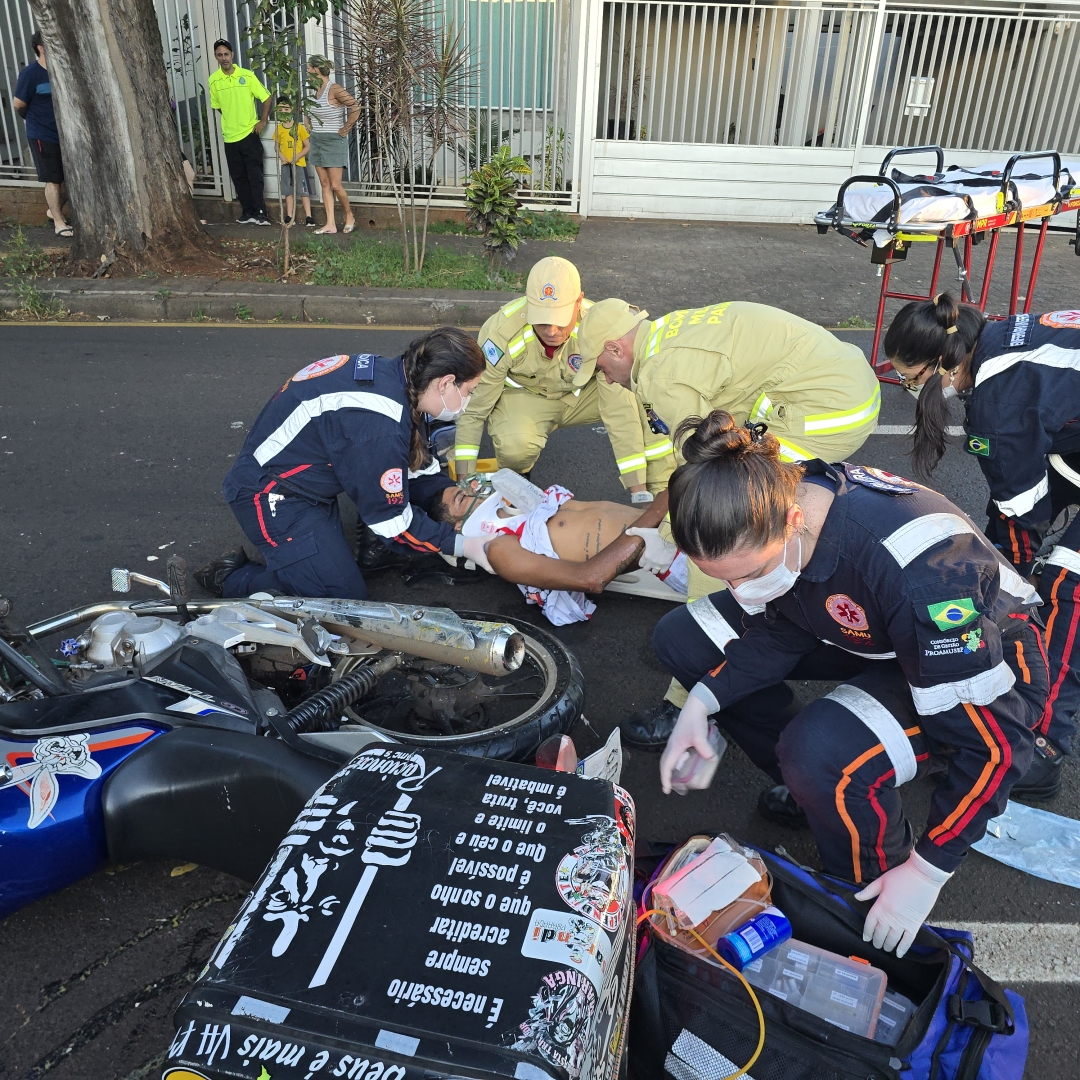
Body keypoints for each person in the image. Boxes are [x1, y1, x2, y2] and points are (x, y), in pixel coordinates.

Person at [651, 410, 1047, 957]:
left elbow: (997, 747)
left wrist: (927, 872)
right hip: (871, 623)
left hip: (982, 653)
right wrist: (703, 699)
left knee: (821, 750)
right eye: (725, 579)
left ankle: (866, 883)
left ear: (792, 520)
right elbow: (783, 620)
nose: (741, 594)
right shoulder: (774, 499)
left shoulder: (924, 576)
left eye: (747, 574)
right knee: (683, 637)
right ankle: (820, 793)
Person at [576, 299, 883, 747]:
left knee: (721, 535)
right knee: (746, 520)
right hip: (837, 390)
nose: (602, 377)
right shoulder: (664, 335)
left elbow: (704, 478)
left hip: (823, 412)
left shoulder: (664, 375)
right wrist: (663, 524)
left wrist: (680, 532)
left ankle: (688, 703)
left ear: (615, 348)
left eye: (599, 366)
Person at [888, 293, 1080, 799]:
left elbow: (1023, 509)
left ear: (943, 365)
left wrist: (1010, 580)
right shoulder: (1001, 338)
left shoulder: (999, 401)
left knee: (1066, 584)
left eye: (910, 379)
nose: (908, 389)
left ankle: (1043, 741)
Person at [194, 329, 489, 601]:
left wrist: (451, 493)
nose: (468, 401)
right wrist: (459, 545)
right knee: (342, 601)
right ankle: (233, 577)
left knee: (333, 574)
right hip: (271, 496)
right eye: (470, 391)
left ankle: (304, 565)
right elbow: (392, 522)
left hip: (301, 484)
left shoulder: (397, 379)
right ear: (446, 382)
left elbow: (414, 470)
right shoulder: (378, 427)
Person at [454, 257, 671, 502]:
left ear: (579, 301)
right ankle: (518, 482)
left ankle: (659, 492)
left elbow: (618, 411)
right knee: (514, 446)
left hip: (585, 397)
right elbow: (475, 411)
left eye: (559, 320)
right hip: (528, 398)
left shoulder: (596, 325)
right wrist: (464, 484)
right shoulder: (500, 332)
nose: (551, 331)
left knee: (642, 399)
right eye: (543, 320)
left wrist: (637, 492)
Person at [430, 473, 679, 625]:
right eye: (461, 499)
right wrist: (658, 511)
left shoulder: (530, 507)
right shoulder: (500, 550)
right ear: (458, 526)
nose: (473, 491)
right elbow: (590, 579)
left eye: (466, 490)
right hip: (677, 553)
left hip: (679, 520)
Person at [13, 31, 71, 238]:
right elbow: (18, 104)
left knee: (70, 179)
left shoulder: (62, 71)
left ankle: (52, 210)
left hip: (67, 135)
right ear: (41, 48)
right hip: (42, 134)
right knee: (52, 178)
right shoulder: (31, 74)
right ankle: (58, 221)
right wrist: (35, 120)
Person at [208, 39, 272, 226]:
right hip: (230, 137)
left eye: (226, 54)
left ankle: (261, 212)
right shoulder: (214, 80)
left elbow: (266, 98)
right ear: (216, 57)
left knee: (255, 175)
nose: (223, 58)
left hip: (249, 134)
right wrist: (231, 119)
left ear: (232, 55)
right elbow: (218, 106)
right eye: (219, 55)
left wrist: (262, 121)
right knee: (238, 177)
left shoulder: (247, 76)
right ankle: (247, 212)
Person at [305, 55, 360, 235]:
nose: (306, 72)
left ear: (315, 70)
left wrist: (346, 128)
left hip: (334, 141)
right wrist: (308, 122)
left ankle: (349, 216)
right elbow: (307, 109)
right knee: (324, 183)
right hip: (317, 140)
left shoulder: (334, 88)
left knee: (336, 185)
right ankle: (330, 224)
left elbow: (355, 107)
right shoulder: (313, 90)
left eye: (308, 69)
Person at [273, 98, 315, 226]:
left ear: (292, 110)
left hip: (299, 164)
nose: (284, 112)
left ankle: (309, 216)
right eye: (280, 110)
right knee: (288, 191)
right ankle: (289, 216)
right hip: (286, 165)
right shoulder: (278, 128)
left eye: (286, 109)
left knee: (303, 190)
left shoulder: (299, 127)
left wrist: (298, 156)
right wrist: (281, 156)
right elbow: (276, 147)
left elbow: (307, 146)